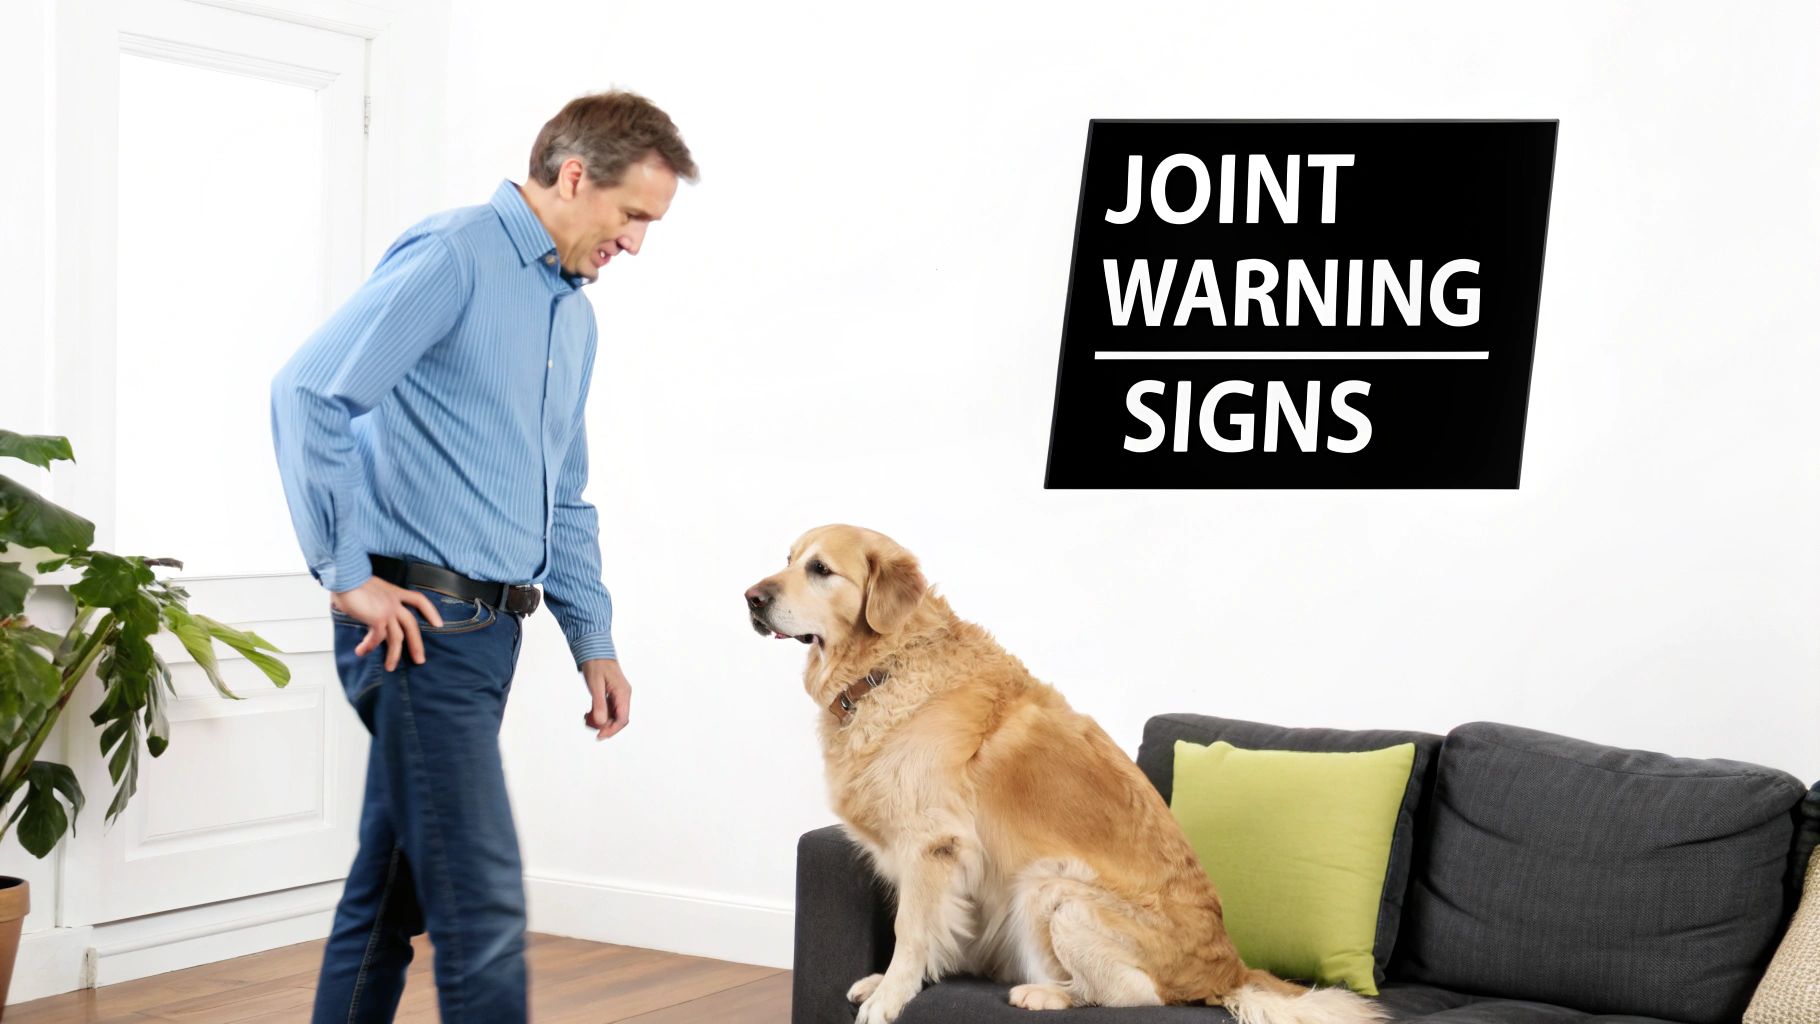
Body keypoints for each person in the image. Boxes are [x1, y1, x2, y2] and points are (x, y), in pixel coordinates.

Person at [270, 90, 696, 1024]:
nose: (635, 243)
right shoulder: (456, 255)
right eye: (631, 216)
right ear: (573, 176)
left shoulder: (573, 320)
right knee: (482, 902)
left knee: (388, 901)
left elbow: (566, 493)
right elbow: (309, 392)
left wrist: (595, 641)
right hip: (419, 632)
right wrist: (346, 576)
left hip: (490, 636)